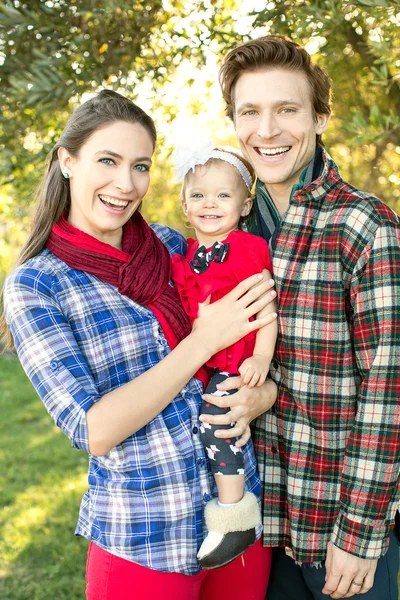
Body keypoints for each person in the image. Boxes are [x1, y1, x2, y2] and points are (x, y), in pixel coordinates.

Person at [0, 90, 279, 600]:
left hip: (237, 515)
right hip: (145, 535)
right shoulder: (37, 285)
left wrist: (262, 395)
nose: (125, 184)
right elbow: (94, 429)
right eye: (108, 160)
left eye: (140, 166)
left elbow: (254, 331)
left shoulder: (176, 247)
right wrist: (200, 343)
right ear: (67, 161)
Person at [217, 35, 400, 600]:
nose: (267, 130)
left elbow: (388, 386)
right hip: (260, 532)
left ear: (320, 117)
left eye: (287, 110)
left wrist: (359, 531)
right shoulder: (230, 234)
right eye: (250, 111)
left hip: (342, 534)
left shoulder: (366, 226)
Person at [171, 140, 278, 570]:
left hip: (238, 359)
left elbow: (265, 309)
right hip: (205, 361)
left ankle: (234, 514)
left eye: (222, 195)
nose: (209, 204)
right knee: (207, 426)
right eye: (198, 195)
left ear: (245, 203)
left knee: (216, 423)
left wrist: (262, 360)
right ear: (183, 204)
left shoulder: (245, 249)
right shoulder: (188, 257)